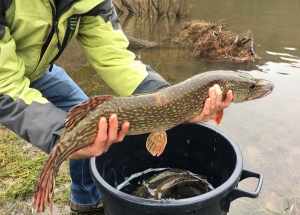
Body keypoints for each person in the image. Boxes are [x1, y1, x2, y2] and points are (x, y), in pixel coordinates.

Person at [0, 0, 233, 213]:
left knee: (84, 119)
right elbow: (4, 84)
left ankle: (85, 199)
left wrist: (168, 99)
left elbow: (113, 56)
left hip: (41, 71)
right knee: (69, 135)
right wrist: (58, 135)